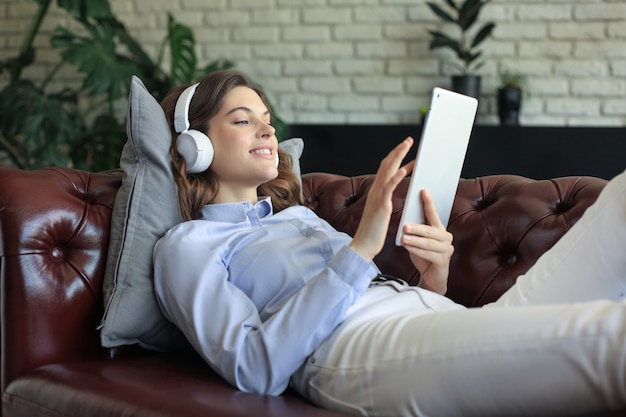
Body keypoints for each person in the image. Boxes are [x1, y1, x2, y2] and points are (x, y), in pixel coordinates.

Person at [153, 69, 626, 417]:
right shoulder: (188, 245)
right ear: (196, 144)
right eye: (242, 120)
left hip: (434, 320)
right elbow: (255, 369)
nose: (268, 130)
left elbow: (415, 323)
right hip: (353, 354)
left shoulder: (297, 215)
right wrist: (361, 247)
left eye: (267, 118)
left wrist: (432, 278)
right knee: (611, 337)